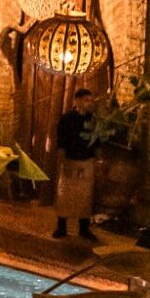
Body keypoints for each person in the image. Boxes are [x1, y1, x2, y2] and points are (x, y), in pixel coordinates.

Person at [51, 86, 96, 240]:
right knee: (65, 195)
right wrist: (63, 162)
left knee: (85, 196)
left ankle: (84, 229)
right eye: (86, 100)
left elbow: (96, 142)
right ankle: (61, 227)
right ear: (77, 101)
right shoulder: (66, 119)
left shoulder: (93, 119)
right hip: (70, 160)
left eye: (91, 100)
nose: (90, 103)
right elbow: (61, 142)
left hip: (86, 160)